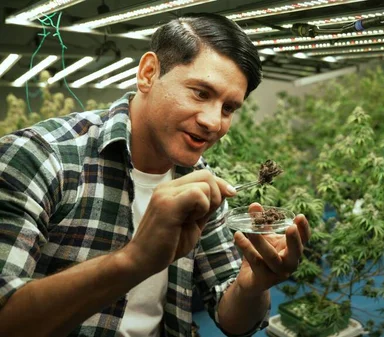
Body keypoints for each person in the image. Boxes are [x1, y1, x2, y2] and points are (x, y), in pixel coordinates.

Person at [0, 12, 310, 337]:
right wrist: (134, 260)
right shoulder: (41, 157)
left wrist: (254, 285)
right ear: (148, 73)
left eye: (228, 108)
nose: (213, 122)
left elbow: (232, 318)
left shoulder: (199, 181)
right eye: (201, 93)